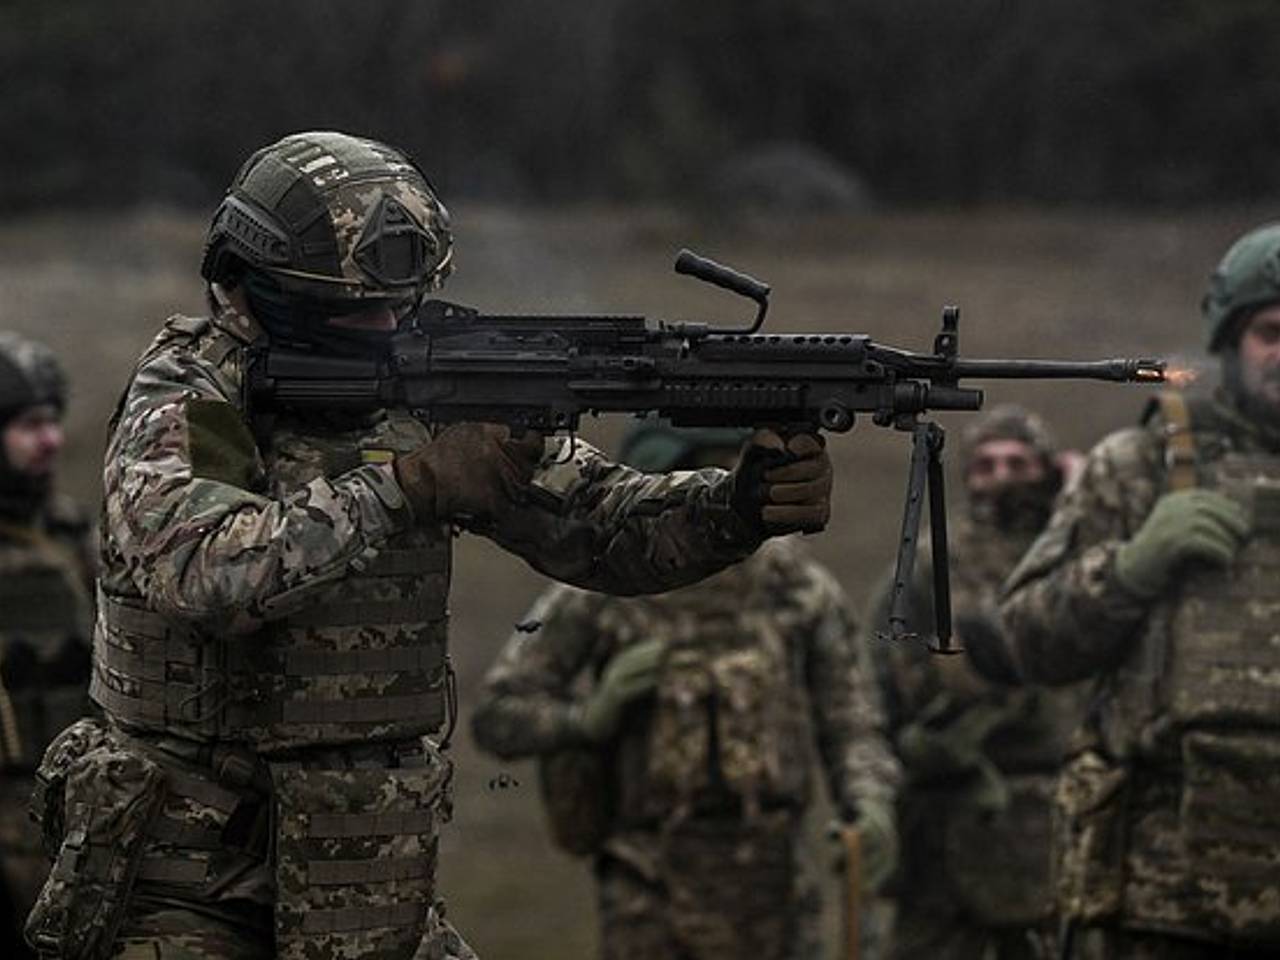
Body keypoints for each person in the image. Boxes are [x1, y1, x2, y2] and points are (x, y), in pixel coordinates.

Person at [22, 131, 835, 960]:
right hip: (189, 891)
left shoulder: (427, 379)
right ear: (263, 287)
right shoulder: (192, 393)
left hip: (367, 888)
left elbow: (601, 526)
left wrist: (736, 507)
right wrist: (404, 488)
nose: (386, 326)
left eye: (400, 304)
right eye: (356, 310)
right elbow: (204, 571)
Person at [471, 418, 900, 960]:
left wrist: (869, 803)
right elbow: (497, 714)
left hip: (774, 888)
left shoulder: (795, 588)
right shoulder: (600, 588)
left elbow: (852, 721)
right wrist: (587, 717)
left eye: (728, 472)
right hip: (649, 889)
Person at [999, 222, 1280, 958]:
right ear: (1229, 340)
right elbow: (1027, 638)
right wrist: (1132, 566)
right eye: (1271, 332)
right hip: (1161, 901)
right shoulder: (1142, 467)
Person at [868, 404, 1087, 960]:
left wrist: (1081, 501)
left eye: (1018, 462)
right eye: (986, 465)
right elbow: (886, 680)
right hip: (953, 807)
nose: (1003, 477)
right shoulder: (930, 563)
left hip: (1064, 805)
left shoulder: (1078, 555)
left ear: (1048, 469)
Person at [0, 333, 93, 960]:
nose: (51, 440)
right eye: (31, 425)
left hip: (69, 814)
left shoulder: (68, 532)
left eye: (54, 423)